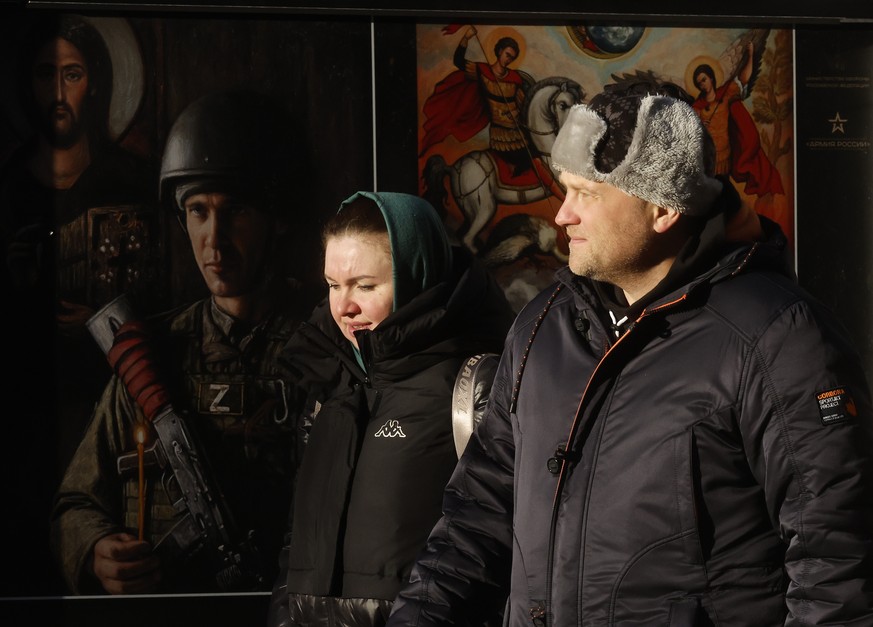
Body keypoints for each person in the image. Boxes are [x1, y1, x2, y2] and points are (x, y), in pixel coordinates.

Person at [388, 83, 873, 625]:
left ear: (662, 207)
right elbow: (475, 521)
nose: (561, 216)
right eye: (564, 190)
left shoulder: (779, 337)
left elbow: (836, 561)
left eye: (586, 194)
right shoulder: (542, 327)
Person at [50, 90, 315, 595]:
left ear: (277, 218)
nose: (214, 239)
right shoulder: (146, 357)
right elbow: (75, 505)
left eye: (235, 210)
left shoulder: (320, 352)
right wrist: (97, 551)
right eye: (198, 211)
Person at [267, 191, 515, 626]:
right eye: (333, 285)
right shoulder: (329, 387)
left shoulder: (475, 385)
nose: (344, 307)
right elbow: (296, 544)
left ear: (418, 275)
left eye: (365, 286)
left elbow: (492, 543)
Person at [0, 13, 161, 479]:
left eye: (72, 75)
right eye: (45, 74)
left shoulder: (130, 180)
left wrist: (103, 321)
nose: (58, 93)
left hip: (114, 395)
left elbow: (163, 295)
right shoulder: (9, 188)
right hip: (26, 404)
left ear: (94, 84)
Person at [420, 26, 530, 175]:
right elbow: (459, 61)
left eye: (512, 58)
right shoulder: (482, 72)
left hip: (519, 130)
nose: (508, 60)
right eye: (507, 55)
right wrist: (466, 37)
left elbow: (523, 104)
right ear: (499, 51)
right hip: (501, 134)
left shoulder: (515, 78)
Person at [691, 42, 784, 199]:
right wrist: (701, 126)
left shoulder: (726, 93)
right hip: (709, 157)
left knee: (724, 191)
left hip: (726, 156)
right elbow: (690, 130)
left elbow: (744, 78)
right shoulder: (698, 106)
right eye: (699, 83)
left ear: (711, 78)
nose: (702, 85)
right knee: (709, 193)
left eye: (704, 79)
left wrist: (751, 54)